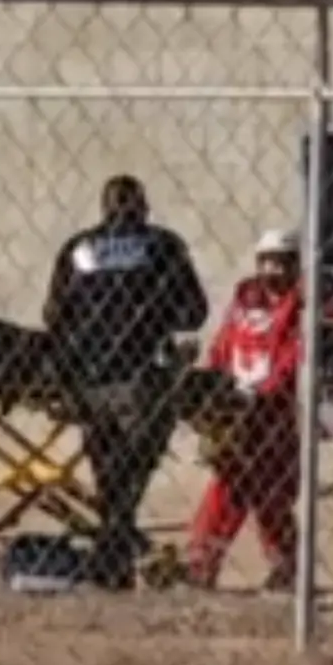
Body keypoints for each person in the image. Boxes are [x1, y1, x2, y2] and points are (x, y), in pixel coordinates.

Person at [43, 174, 208, 589]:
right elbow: (194, 311)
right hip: (141, 377)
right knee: (131, 474)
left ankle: (111, 556)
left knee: (109, 473)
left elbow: (52, 314)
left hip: (87, 379)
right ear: (144, 206)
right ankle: (113, 553)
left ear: (103, 208)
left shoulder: (79, 248)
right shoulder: (162, 246)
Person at [186, 229, 306, 591]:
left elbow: (293, 359)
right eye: (266, 261)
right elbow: (224, 347)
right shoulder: (245, 301)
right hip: (236, 409)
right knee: (228, 486)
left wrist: (266, 395)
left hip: (275, 412)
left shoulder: (301, 306)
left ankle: (285, 565)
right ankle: (201, 563)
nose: (272, 270)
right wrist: (215, 389)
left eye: (281, 262)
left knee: (271, 492)